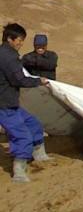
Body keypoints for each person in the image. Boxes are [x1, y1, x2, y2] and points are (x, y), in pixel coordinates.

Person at [0, 23, 52, 183]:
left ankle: (39, 155)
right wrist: (38, 81)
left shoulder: (6, 53)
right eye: (19, 40)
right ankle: (19, 171)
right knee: (22, 136)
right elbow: (18, 79)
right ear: (10, 39)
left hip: (10, 102)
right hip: (4, 105)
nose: (21, 43)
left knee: (34, 124)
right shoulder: (8, 57)